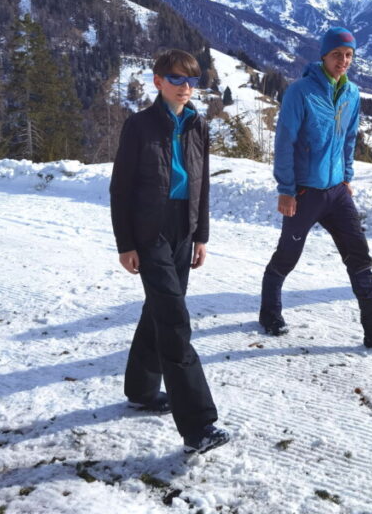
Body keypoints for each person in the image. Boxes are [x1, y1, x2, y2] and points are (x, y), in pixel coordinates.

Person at [259, 27, 372, 348]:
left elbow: (348, 138)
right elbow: (285, 142)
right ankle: (269, 311)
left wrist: (346, 177)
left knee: (359, 255)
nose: (343, 61)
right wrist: (286, 190)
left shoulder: (352, 93)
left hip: (337, 192)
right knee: (288, 255)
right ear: (323, 55)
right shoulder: (300, 92)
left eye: (348, 56)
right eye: (337, 55)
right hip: (304, 192)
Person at [109, 49, 228, 454]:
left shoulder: (197, 125)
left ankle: (141, 391)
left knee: (157, 310)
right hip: (150, 232)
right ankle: (198, 425)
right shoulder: (139, 126)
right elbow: (120, 189)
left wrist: (201, 235)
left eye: (191, 80)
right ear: (158, 81)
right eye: (176, 79)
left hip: (184, 228)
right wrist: (126, 243)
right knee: (175, 321)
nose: (185, 87)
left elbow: (203, 183)